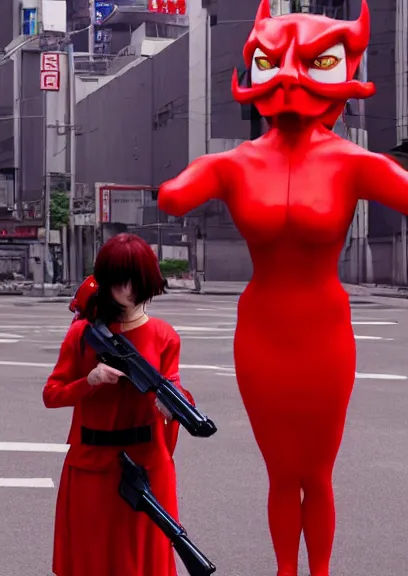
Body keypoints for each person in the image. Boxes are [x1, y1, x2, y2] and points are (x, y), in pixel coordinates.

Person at [156, 2, 408, 573]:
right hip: (263, 334)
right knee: (279, 472)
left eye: (314, 63)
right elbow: (173, 195)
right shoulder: (236, 164)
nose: (292, 77)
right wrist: (196, 177)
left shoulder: (353, 162)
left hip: (324, 334)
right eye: (276, 62)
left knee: (317, 473)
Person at [43, 233, 194, 576]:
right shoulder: (83, 334)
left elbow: (174, 385)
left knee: (145, 559)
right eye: (118, 281)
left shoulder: (164, 335)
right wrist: (89, 381)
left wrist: (172, 405)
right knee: (92, 558)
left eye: (134, 281)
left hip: (147, 464)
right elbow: (52, 394)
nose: (127, 290)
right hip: (93, 467)